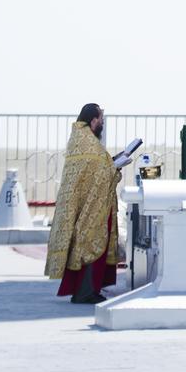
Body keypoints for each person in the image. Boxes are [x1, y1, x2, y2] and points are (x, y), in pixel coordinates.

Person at [45, 104, 130, 304]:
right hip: (92, 206)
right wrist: (115, 167)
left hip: (86, 202)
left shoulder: (80, 139)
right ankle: (85, 292)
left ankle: (88, 290)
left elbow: (97, 167)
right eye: (101, 119)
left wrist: (112, 163)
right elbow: (101, 170)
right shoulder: (88, 142)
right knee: (91, 244)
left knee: (86, 244)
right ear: (93, 121)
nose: (102, 123)